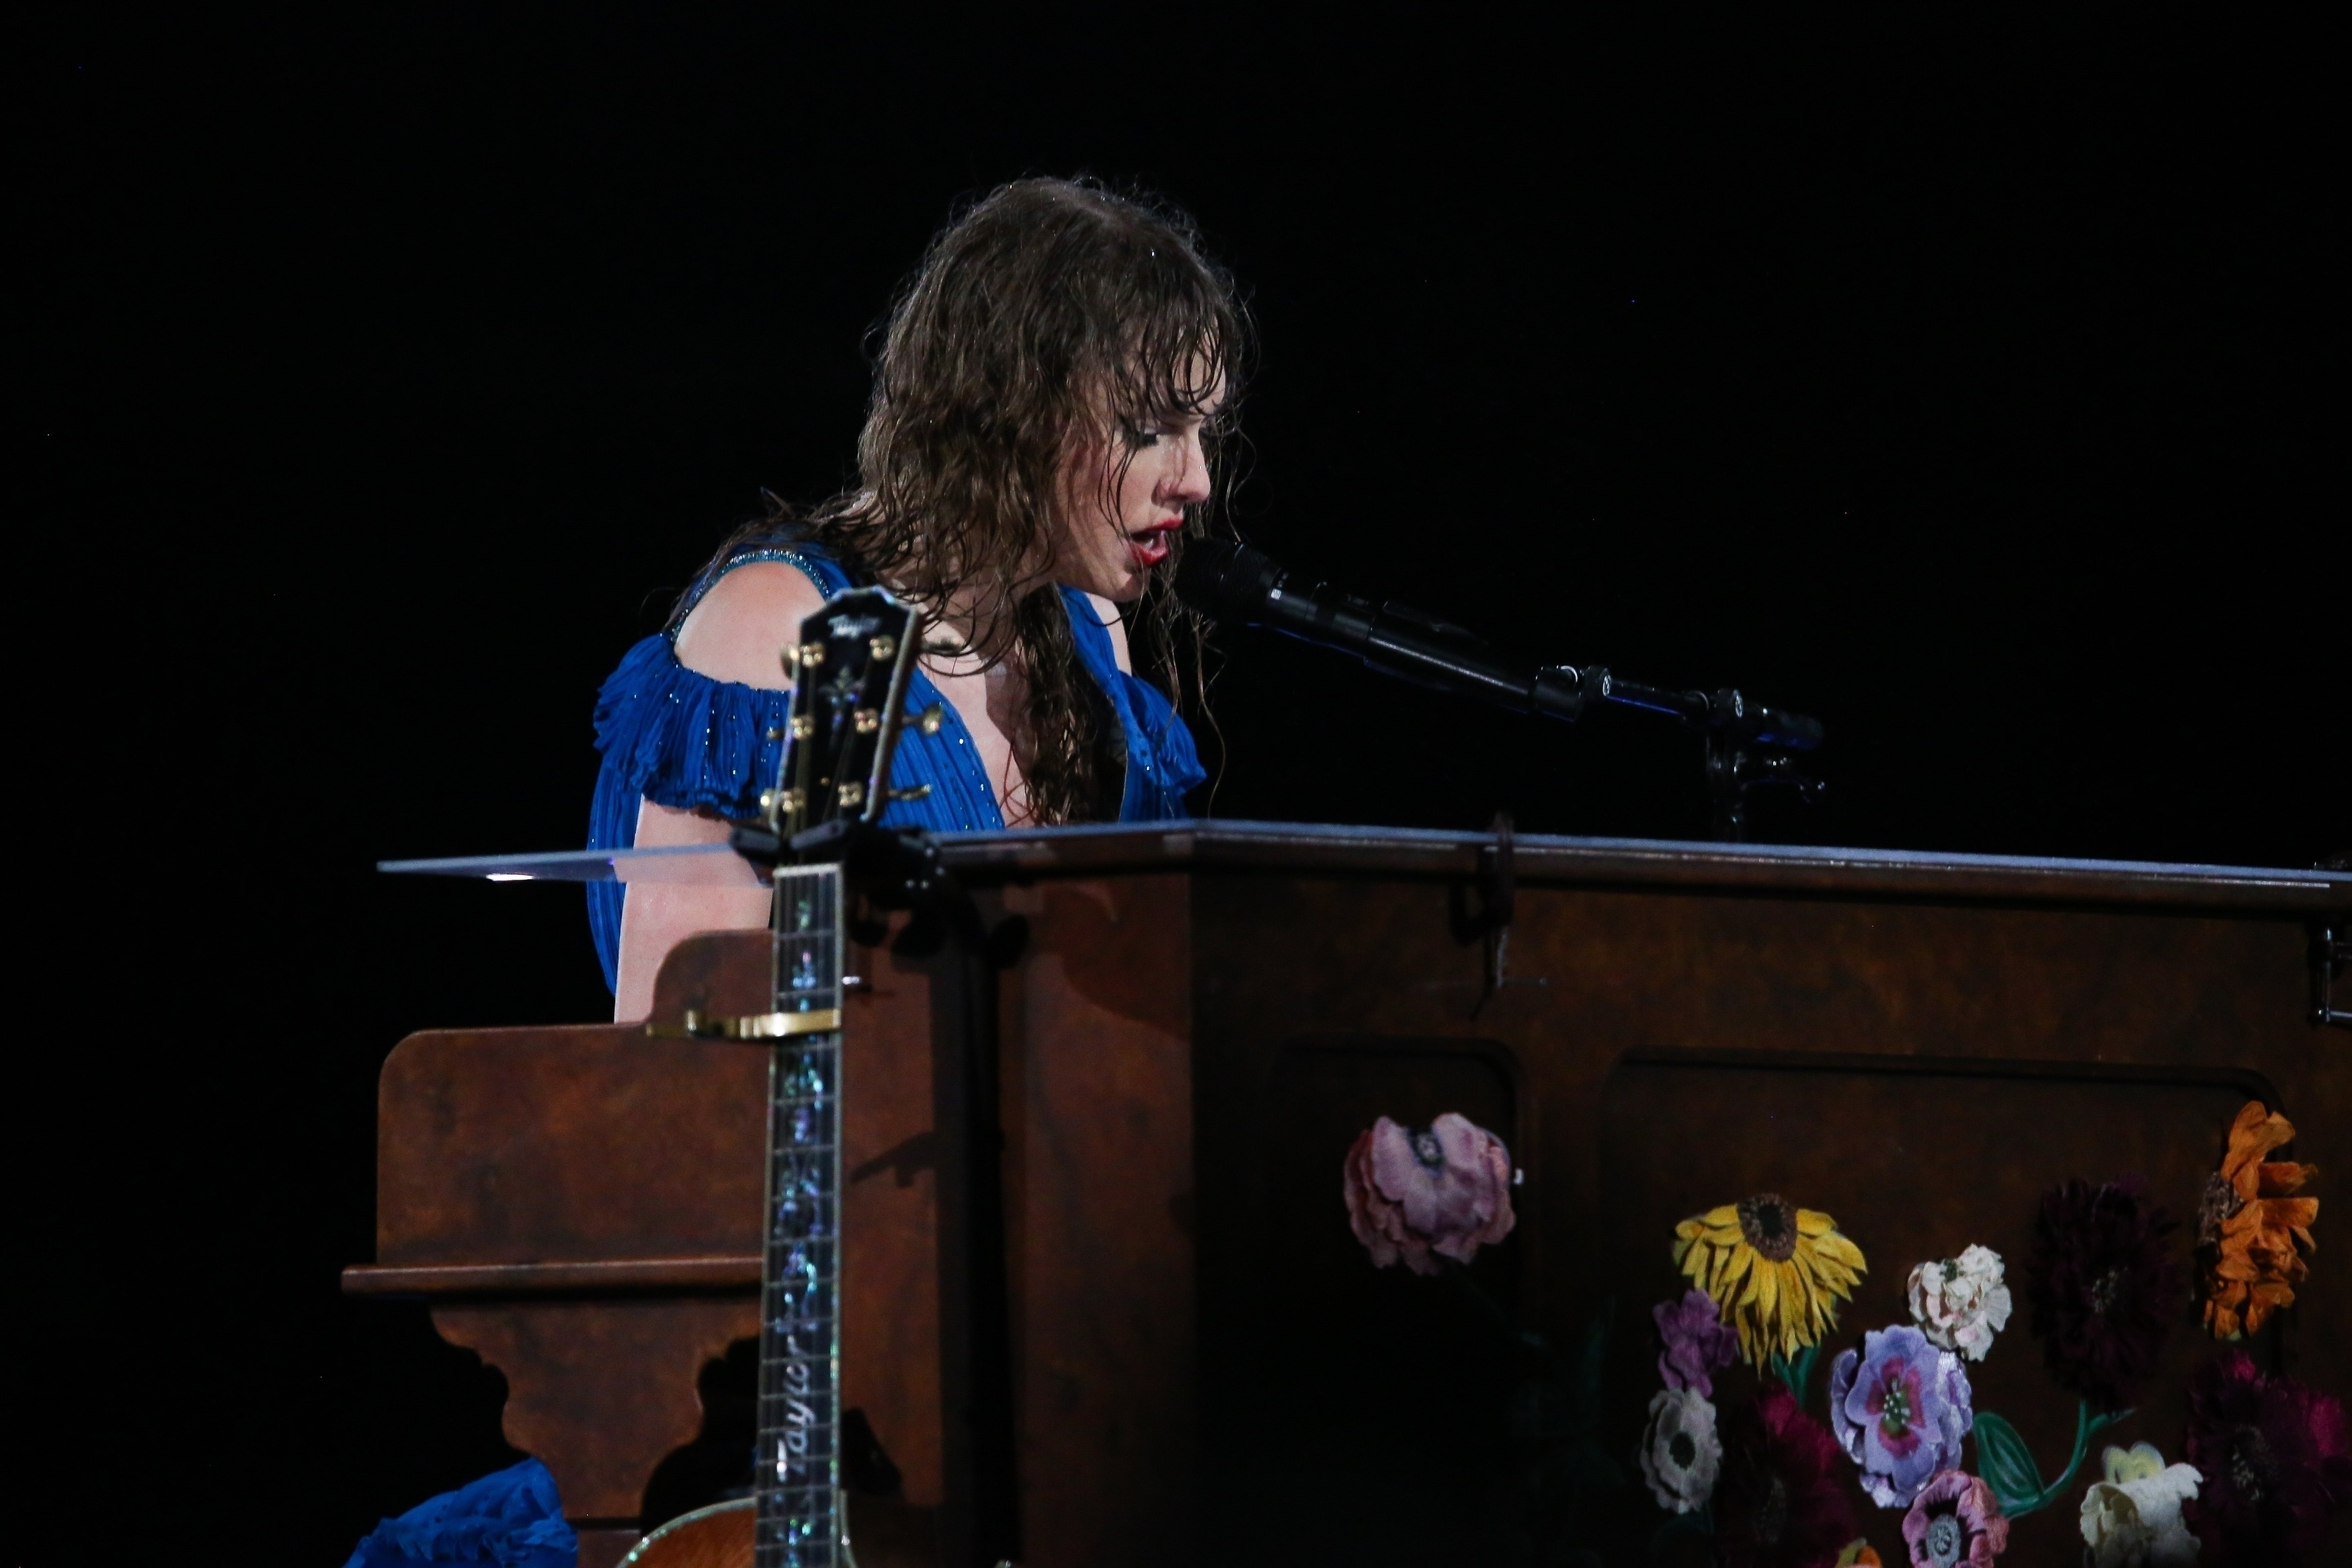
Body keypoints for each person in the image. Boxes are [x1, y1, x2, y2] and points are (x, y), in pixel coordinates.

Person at [587, 177, 1247, 1020]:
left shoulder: (1092, 634)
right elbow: (671, 1040)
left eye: (1202, 431)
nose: (1195, 480)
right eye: (1148, 428)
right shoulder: (779, 626)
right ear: (1015, 408)